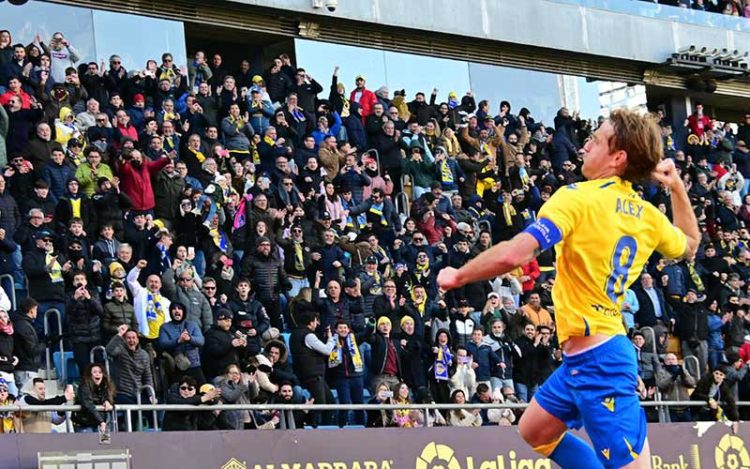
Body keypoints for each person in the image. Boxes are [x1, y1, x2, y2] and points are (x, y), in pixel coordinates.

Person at [437, 109, 699, 468]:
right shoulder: (647, 215)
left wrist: (459, 275)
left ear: (618, 156)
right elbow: (689, 242)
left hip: (602, 361)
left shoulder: (577, 197)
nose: (586, 144)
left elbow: (517, 252)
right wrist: (678, 187)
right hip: (582, 358)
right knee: (534, 430)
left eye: (597, 138)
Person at [72, 363, 115, 433]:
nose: (98, 374)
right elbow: (88, 405)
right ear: (90, 375)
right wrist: (101, 421)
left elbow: (111, 399)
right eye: (94, 372)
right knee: (89, 443)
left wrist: (107, 401)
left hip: (103, 423)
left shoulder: (106, 387)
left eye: (100, 372)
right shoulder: (84, 386)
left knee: (105, 442)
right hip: (85, 423)